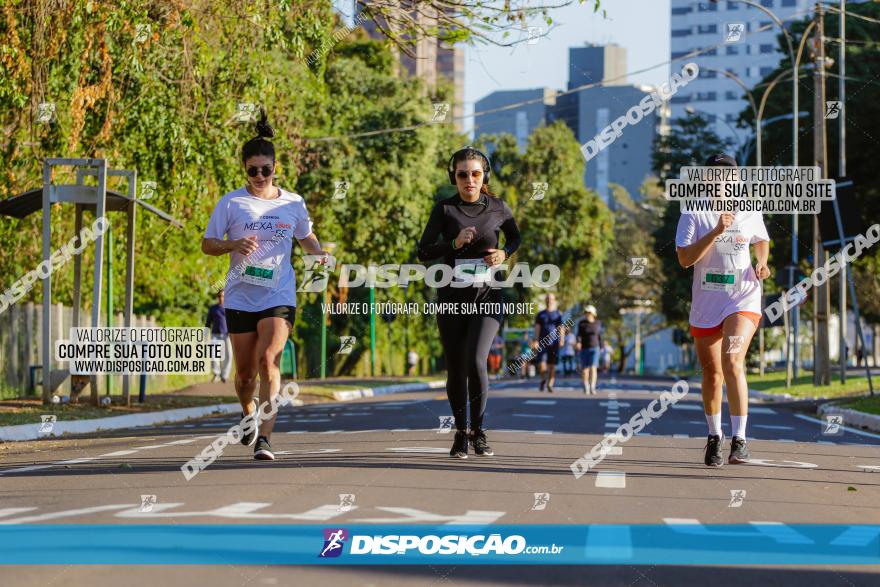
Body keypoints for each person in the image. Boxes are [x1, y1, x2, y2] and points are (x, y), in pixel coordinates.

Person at [202, 109, 330, 461]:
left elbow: (306, 238)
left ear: (276, 169)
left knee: (270, 361)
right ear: (244, 168)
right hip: (241, 294)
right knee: (244, 374)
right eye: (252, 170)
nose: (260, 176)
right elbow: (208, 243)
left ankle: (266, 440)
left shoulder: (293, 203)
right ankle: (247, 415)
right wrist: (232, 245)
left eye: (266, 170)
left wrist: (318, 254)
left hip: (279, 293)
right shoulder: (231, 203)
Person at [417, 146, 521, 459]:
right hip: (451, 298)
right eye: (463, 174)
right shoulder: (444, 209)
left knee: (476, 360)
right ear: (455, 177)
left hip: (488, 297)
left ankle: (479, 431)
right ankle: (461, 434)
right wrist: (453, 243)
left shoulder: (499, 208)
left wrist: (504, 253)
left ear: (483, 176)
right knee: (456, 368)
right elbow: (423, 251)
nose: (469, 180)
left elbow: (515, 238)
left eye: (475, 174)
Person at [675, 153, 770, 467]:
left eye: (727, 175)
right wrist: (716, 231)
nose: (721, 180)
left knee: (732, 360)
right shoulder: (692, 212)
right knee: (713, 375)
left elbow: (761, 239)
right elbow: (685, 259)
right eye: (714, 175)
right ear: (705, 179)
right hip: (706, 303)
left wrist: (762, 262)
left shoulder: (749, 209)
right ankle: (714, 437)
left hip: (742, 298)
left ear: (736, 180)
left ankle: (739, 439)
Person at [534, 293, 563, 393]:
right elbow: (537, 328)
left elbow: (561, 328)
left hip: (554, 343)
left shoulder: (558, 314)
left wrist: (562, 340)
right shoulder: (540, 314)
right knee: (541, 363)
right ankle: (543, 379)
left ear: (554, 300)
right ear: (545, 301)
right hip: (542, 342)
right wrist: (536, 340)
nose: (549, 300)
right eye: (547, 299)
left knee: (552, 365)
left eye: (551, 299)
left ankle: (550, 383)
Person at [205, 290, 232, 383]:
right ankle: (216, 373)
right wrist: (205, 334)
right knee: (214, 355)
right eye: (220, 296)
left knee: (228, 355)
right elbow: (208, 322)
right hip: (215, 335)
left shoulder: (230, 308)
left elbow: (234, 321)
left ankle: (224, 375)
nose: (221, 298)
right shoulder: (213, 308)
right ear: (218, 297)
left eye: (223, 296)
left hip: (226, 335)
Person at [576, 305, 602, 395]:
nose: (587, 314)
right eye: (586, 313)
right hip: (584, 348)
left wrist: (601, 347)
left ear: (593, 314)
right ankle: (586, 386)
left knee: (593, 367)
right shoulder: (582, 323)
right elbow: (578, 335)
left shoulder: (598, 323)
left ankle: (592, 386)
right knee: (585, 369)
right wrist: (578, 342)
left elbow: (599, 336)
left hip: (595, 347)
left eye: (589, 313)